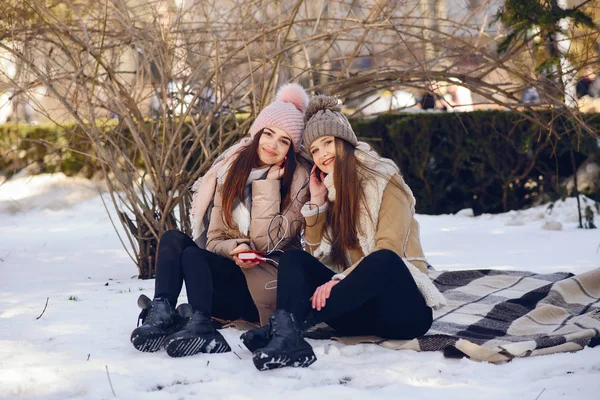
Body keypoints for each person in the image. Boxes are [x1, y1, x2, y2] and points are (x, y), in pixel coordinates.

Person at [241, 95, 447, 371]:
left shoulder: (386, 182)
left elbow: (389, 249)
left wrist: (339, 279)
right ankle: (287, 331)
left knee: (383, 259)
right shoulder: (331, 192)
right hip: (354, 309)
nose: (322, 153)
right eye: (314, 150)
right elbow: (317, 256)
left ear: (346, 141)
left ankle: (286, 327)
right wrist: (316, 204)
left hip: (402, 312)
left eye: (328, 142)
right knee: (294, 260)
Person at [130, 83, 311, 358]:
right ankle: (163, 312)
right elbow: (214, 239)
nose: (272, 145)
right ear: (257, 133)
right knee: (173, 240)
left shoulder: (297, 181)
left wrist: (269, 187)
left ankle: (202, 326)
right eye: (269, 134)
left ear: (291, 149)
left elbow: (266, 241)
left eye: (284, 141)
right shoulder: (233, 172)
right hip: (227, 279)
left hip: (260, 290)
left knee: (194, 257)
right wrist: (234, 249)